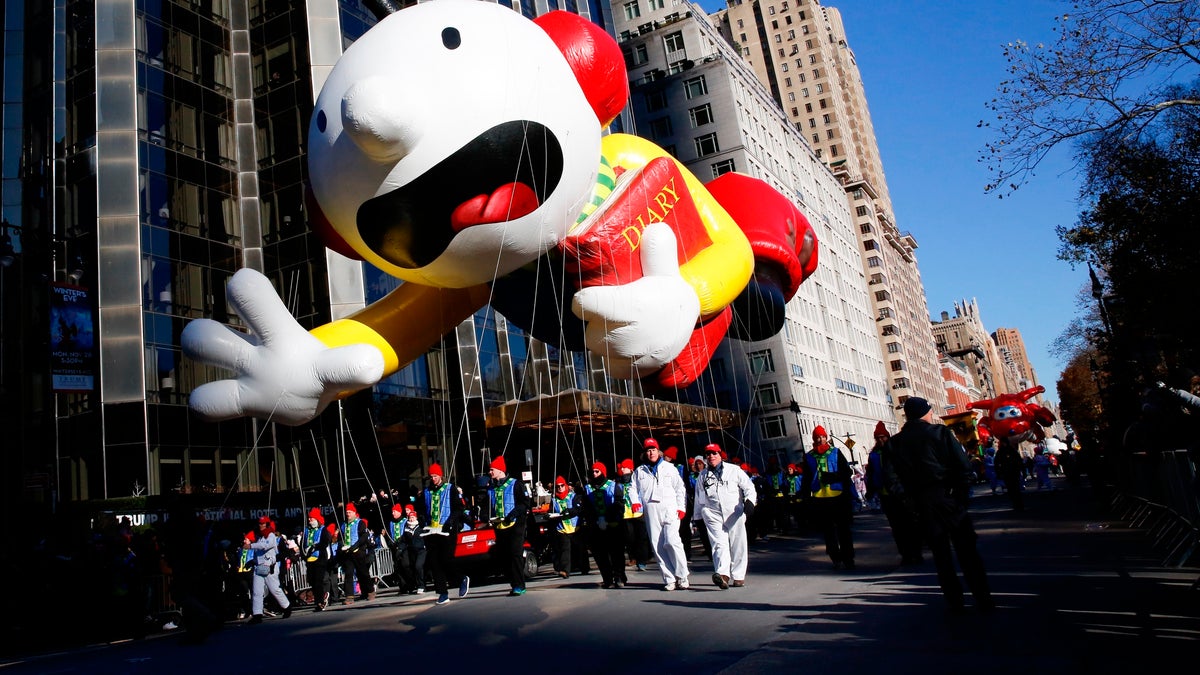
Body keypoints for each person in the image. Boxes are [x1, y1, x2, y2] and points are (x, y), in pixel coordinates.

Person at [885, 396, 995, 614]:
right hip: (947, 496)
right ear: (924, 412)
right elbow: (963, 466)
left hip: (921, 501)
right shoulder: (940, 433)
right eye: (929, 410)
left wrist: (909, 501)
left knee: (940, 554)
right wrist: (961, 497)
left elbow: (891, 478)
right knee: (967, 551)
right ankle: (982, 596)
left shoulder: (894, 443)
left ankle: (954, 599)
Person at [693, 443, 757, 589]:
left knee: (737, 543)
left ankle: (738, 575)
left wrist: (750, 502)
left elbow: (749, 487)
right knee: (719, 544)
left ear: (720, 455)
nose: (711, 456)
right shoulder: (703, 476)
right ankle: (722, 575)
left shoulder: (734, 470)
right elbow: (699, 497)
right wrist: (697, 517)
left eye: (714, 453)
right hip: (712, 513)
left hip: (734, 512)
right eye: (708, 454)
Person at [633, 438, 691, 591]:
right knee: (657, 545)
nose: (650, 452)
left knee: (672, 541)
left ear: (658, 451)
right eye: (648, 450)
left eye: (653, 449)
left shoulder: (669, 468)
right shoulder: (640, 471)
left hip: (669, 508)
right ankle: (669, 578)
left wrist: (681, 507)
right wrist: (635, 502)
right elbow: (633, 489)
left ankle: (682, 575)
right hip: (651, 509)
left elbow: (680, 488)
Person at [865, 421, 924, 566]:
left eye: (882, 437)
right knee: (897, 527)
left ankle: (916, 552)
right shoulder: (873, 455)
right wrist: (871, 490)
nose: (880, 440)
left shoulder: (897, 449)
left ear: (887, 436)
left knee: (910, 523)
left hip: (901, 493)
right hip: (886, 495)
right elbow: (871, 474)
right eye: (877, 438)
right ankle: (905, 554)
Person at [803, 426, 856, 570]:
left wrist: (833, 477)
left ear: (826, 438)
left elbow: (847, 471)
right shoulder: (808, 456)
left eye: (822, 437)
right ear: (814, 439)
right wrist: (806, 498)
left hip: (838, 496)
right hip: (819, 498)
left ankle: (848, 557)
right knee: (828, 531)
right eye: (817, 438)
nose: (820, 440)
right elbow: (806, 479)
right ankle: (835, 557)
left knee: (843, 529)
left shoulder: (836, 452)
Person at [422, 462, 469, 605]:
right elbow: (422, 509)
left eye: (435, 476)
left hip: (447, 530)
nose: (433, 479)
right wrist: (422, 519)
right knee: (434, 562)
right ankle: (442, 593)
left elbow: (458, 508)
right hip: (431, 531)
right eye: (431, 476)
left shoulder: (451, 489)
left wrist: (450, 522)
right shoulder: (426, 491)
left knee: (446, 559)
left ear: (440, 475)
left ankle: (461, 578)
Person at [488, 456, 531, 596]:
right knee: (504, 556)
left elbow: (524, 503)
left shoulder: (516, 484)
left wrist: (512, 514)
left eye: (491, 470)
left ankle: (520, 584)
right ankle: (513, 583)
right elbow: (487, 506)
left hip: (515, 525)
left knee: (515, 554)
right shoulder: (492, 487)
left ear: (500, 470)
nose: (490, 472)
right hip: (499, 526)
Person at [583, 461, 626, 589]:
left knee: (616, 553)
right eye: (593, 472)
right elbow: (587, 507)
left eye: (597, 471)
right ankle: (607, 579)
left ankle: (619, 576)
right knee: (600, 554)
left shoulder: (614, 485)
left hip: (613, 524)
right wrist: (595, 520)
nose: (594, 474)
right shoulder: (587, 488)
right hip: (596, 525)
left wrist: (608, 517)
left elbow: (619, 505)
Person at [247, 516, 292, 624]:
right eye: (259, 523)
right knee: (257, 591)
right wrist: (252, 561)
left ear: (267, 525)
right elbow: (258, 553)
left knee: (275, 590)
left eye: (263, 524)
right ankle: (257, 614)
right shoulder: (258, 536)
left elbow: (265, 546)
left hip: (269, 566)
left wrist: (251, 545)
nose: (261, 525)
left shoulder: (271, 536)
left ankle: (287, 606)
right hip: (259, 567)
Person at [615, 458, 650, 572]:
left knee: (641, 537)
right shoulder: (618, 481)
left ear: (630, 468)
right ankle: (633, 557)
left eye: (624, 468)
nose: (622, 470)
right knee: (629, 537)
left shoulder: (636, 479)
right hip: (626, 513)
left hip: (638, 512)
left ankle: (642, 560)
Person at [339, 502, 376, 604]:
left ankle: (370, 591)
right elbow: (340, 537)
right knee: (349, 574)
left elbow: (364, 537)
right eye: (347, 512)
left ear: (354, 513)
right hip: (347, 553)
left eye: (350, 512)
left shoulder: (360, 523)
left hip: (358, 552)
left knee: (363, 573)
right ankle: (349, 596)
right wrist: (342, 545)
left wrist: (355, 546)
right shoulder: (343, 525)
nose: (348, 514)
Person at [386, 504, 427, 594]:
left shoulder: (407, 523)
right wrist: (392, 543)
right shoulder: (392, 522)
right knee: (398, 568)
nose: (393, 513)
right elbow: (391, 534)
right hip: (398, 547)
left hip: (414, 549)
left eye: (394, 511)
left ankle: (417, 584)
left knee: (409, 566)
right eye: (392, 511)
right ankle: (403, 587)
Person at [301, 508, 336, 611]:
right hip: (309, 559)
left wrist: (315, 547)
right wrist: (304, 555)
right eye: (309, 518)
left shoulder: (323, 529)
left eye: (312, 518)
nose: (310, 520)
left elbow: (325, 542)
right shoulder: (306, 530)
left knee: (318, 581)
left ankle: (319, 602)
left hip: (320, 558)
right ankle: (323, 596)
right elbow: (302, 543)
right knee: (311, 580)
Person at [549, 476, 582, 579]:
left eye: (562, 485)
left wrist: (569, 511)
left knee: (580, 548)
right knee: (564, 550)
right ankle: (565, 570)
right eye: (557, 486)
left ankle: (584, 567)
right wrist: (549, 515)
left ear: (566, 485)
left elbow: (578, 509)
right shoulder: (554, 499)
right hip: (562, 528)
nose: (560, 488)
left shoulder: (573, 496)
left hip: (575, 527)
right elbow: (551, 511)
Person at [995, 437, 1025, 512]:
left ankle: (1018, 503)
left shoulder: (1010, 451)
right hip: (1008, 472)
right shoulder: (1002, 451)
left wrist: (1023, 471)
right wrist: (998, 473)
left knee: (1014, 488)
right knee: (1012, 488)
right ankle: (1016, 503)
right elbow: (997, 463)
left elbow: (1019, 461)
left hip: (1012, 472)